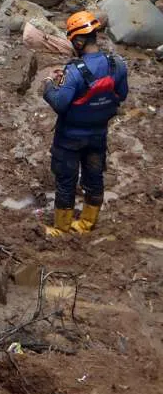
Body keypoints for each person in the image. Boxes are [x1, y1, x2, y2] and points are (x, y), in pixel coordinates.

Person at [41, 12, 128, 237]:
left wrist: (49, 85)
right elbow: (122, 94)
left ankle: (61, 228)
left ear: (78, 41)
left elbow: (60, 104)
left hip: (69, 139)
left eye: (72, 41)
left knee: (66, 180)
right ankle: (87, 223)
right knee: (94, 177)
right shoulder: (116, 64)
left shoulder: (74, 72)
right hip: (98, 136)